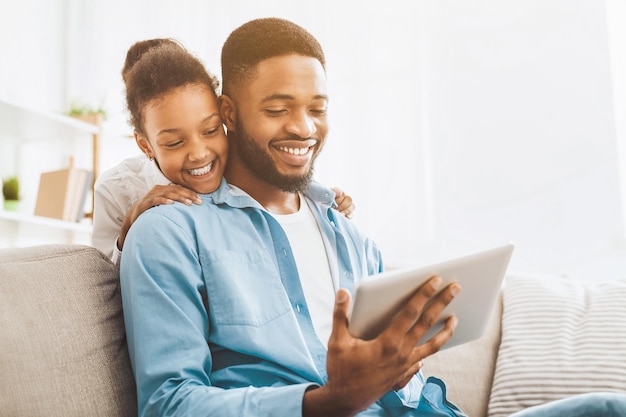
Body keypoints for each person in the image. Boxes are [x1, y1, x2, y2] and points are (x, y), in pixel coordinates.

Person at [120, 18, 626, 417]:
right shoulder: (169, 230)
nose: (304, 127)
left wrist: (401, 370)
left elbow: (395, 381)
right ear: (228, 113)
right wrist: (324, 404)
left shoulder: (350, 236)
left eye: (316, 108)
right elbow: (169, 404)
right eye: (278, 109)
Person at [91, 38, 355, 263]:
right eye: (174, 143)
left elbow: (276, 184)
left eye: (211, 130)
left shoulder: (236, 162)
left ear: (225, 116)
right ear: (145, 145)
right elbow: (103, 285)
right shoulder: (118, 188)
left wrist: (323, 199)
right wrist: (129, 232)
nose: (199, 153)